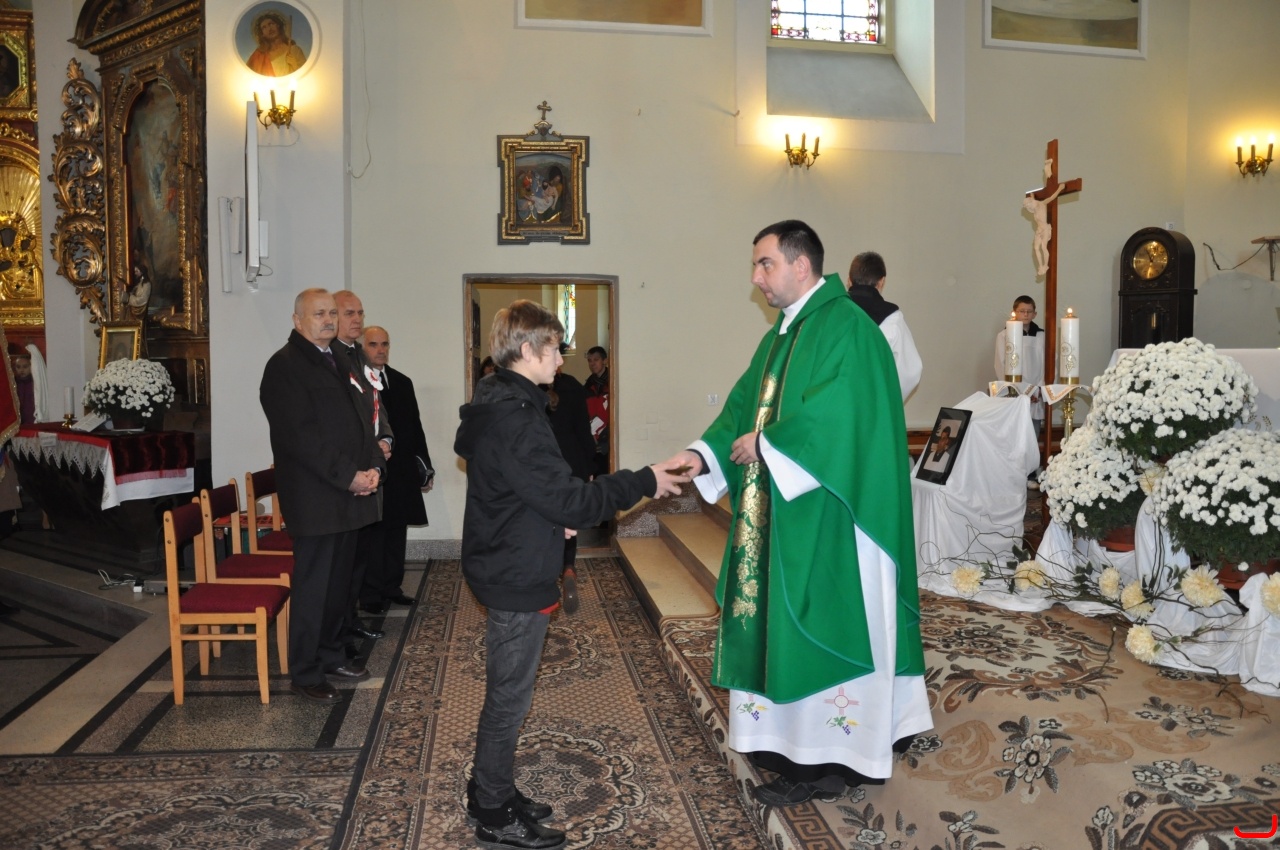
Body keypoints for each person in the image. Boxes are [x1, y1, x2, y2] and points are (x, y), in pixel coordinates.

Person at [665, 220, 932, 807]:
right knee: (781, 623)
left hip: (834, 516)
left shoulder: (848, 328)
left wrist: (769, 443)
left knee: (827, 624)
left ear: (801, 265)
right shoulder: (782, 335)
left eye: (765, 264)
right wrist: (702, 453)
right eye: (756, 265)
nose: (756, 278)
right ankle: (790, 746)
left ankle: (831, 760)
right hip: (784, 513)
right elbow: (743, 404)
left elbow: (844, 413)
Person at [454, 300, 688, 849]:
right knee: (509, 699)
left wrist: (546, 516)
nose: (562, 359)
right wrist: (643, 480)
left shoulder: (505, 402)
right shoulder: (516, 417)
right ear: (528, 349)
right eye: (555, 348)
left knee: (509, 693)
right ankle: (492, 811)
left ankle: (491, 787)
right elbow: (570, 499)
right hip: (514, 570)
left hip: (509, 554)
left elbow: (522, 489)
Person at [259, 288, 385, 705]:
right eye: (319, 314)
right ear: (298, 321)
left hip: (349, 494)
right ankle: (306, 671)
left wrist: (374, 467)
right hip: (316, 498)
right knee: (314, 589)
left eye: (332, 313)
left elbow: (364, 419)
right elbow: (301, 438)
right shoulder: (284, 366)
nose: (329, 320)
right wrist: (349, 477)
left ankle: (332, 655)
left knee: (338, 587)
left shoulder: (342, 359)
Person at [332, 291, 394, 649]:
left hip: (369, 470)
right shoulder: (329, 359)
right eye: (348, 313)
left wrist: (384, 440)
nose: (356, 319)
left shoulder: (359, 356)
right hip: (346, 476)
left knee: (358, 560)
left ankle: (351, 621)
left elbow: (375, 406)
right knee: (341, 566)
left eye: (360, 313)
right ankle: (338, 631)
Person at [358, 325, 434, 614]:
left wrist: (425, 468)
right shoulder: (356, 383)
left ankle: (392, 587)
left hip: (400, 470)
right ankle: (371, 594)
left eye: (385, 344)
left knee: (396, 531)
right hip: (371, 471)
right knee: (374, 534)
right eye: (374, 344)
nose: (381, 350)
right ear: (362, 347)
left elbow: (415, 428)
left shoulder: (402, 382)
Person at [542, 344, 595, 614]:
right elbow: (584, 431)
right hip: (572, 463)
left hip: (542, 466)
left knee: (544, 520)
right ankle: (569, 568)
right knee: (568, 522)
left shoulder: (530, 389)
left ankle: (545, 578)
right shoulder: (573, 386)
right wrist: (589, 467)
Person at [840, 251, 922, 401]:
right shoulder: (893, 320)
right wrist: (887, 402)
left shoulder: (830, 311)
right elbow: (911, 372)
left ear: (849, 280)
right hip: (870, 403)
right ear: (881, 282)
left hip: (831, 406)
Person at [993, 294, 1046, 432]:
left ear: (1035, 314)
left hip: (1036, 393)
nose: (1026, 314)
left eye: (1029, 311)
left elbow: (1050, 363)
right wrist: (1016, 389)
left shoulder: (1042, 336)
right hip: (1014, 392)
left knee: (1033, 432)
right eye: (1022, 311)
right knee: (1014, 431)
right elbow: (1000, 364)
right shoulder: (1004, 335)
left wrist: (1039, 389)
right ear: (1014, 312)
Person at [246, 11, 305, 77]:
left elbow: (305, 76)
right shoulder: (258, 56)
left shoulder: (294, 50)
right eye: (264, 27)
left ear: (278, 25)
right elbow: (248, 76)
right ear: (262, 34)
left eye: (271, 24)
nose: (269, 29)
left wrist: (295, 65)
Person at [1024, 184, 1063, 277]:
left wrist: (1060, 188)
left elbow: (1052, 197)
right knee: (1036, 248)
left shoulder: (1042, 204)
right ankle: (1040, 266)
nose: (1029, 207)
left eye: (1029, 205)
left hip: (1045, 229)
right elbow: (1034, 203)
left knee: (1043, 247)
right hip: (1039, 230)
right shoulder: (1035, 209)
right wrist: (1033, 197)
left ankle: (1045, 265)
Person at [584, 346, 610, 478]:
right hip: (593, 437)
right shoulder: (588, 384)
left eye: (596, 359)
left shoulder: (613, 381)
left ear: (605, 361)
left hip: (608, 436)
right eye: (589, 360)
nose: (592, 363)